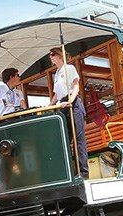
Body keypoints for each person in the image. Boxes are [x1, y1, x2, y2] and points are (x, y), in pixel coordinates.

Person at [48, 48, 88, 178]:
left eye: (53, 54)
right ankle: (70, 172)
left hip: (73, 104)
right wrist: (50, 105)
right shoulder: (57, 73)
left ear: (60, 56)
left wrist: (70, 100)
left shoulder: (69, 68)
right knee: (66, 139)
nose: (50, 57)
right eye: (50, 55)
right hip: (63, 105)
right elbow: (56, 94)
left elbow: (76, 85)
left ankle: (83, 172)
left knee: (78, 139)